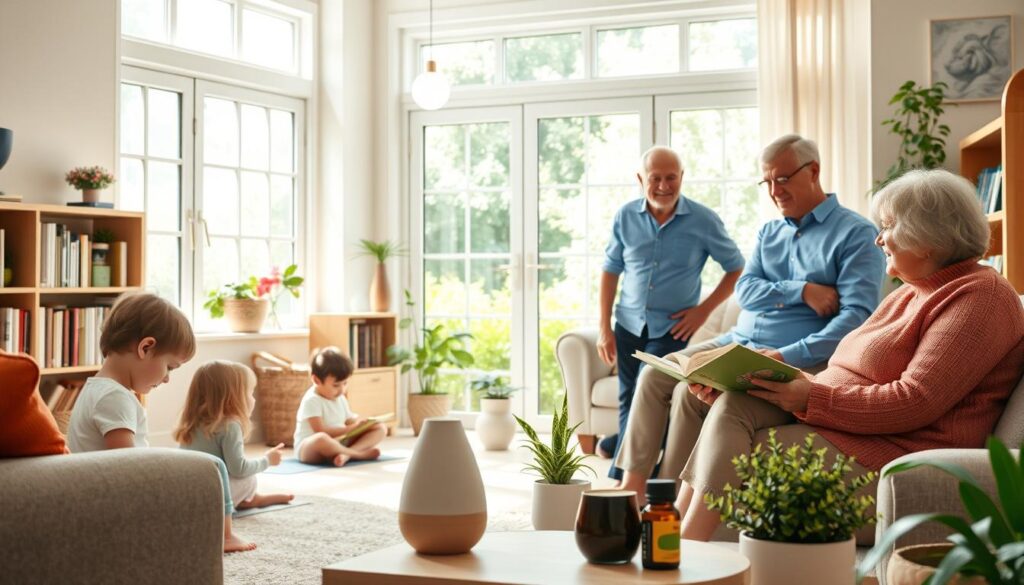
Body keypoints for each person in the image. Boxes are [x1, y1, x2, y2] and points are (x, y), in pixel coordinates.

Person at [670, 169, 1024, 542]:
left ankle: (686, 550)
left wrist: (812, 396)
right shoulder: (911, 292)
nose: (879, 239)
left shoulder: (980, 297)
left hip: (899, 453)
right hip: (855, 431)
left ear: (928, 239)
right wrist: (777, 378)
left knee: (740, 449)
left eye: (888, 226)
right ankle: (676, 535)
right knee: (731, 401)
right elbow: (852, 376)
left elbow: (915, 401)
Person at [616, 134, 886, 496]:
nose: (774, 190)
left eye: (783, 178)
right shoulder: (768, 231)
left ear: (814, 171)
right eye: (768, 181)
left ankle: (670, 500)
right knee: (654, 374)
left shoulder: (855, 234)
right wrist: (802, 290)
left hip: (791, 357)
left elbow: (855, 321)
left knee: (687, 395)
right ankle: (631, 495)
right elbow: (744, 290)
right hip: (738, 343)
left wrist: (784, 355)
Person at [597, 145, 746, 481]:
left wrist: (702, 312)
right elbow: (610, 270)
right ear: (640, 179)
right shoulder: (625, 216)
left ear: (681, 177)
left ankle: (626, 474)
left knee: (645, 393)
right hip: (628, 322)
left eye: (671, 178)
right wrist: (604, 326)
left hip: (672, 329)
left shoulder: (703, 220)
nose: (664, 185)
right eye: (655, 178)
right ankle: (624, 453)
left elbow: (736, 268)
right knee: (627, 395)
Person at [66, 292, 256, 553]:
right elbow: (124, 467)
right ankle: (225, 535)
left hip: (98, 496)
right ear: (145, 348)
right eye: (170, 367)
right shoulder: (115, 397)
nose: (167, 379)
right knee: (214, 467)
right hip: (112, 504)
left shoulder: (95, 389)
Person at [175, 360, 294, 510]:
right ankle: (250, 500)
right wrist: (267, 460)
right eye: (250, 393)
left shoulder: (192, 423)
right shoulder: (230, 426)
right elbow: (239, 468)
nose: (254, 399)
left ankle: (250, 499)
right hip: (210, 496)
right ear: (233, 398)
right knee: (249, 479)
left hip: (185, 492)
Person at [293, 346, 387, 466]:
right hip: (310, 449)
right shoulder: (312, 400)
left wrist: (362, 423)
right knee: (321, 438)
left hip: (338, 443)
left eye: (345, 383)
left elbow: (348, 420)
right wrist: (351, 428)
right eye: (336, 385)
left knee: (380, 427)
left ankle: (346, 455)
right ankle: (358, 454)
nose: (342, 389)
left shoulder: (340, 398)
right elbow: (321, 431)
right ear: (316, 380)